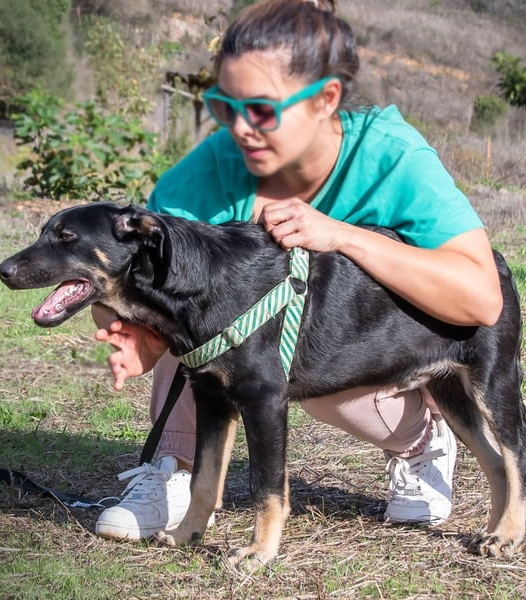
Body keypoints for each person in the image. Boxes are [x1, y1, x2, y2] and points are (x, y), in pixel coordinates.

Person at [91, 0, 503, 542]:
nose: (239, 129)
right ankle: (179, 469)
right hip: (252, 346)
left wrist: (342, 236)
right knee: (190, 299)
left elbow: (480, 299)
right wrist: (140, 336)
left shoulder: (391, 156)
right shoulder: (210, 171)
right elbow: (141, 276)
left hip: (372, 345)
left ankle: (419, 440)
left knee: (304, 345)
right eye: (224, 106)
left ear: (325, 98)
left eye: (261, 110)